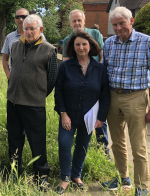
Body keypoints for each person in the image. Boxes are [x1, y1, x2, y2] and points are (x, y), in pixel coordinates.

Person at [101, 7, 150, 196]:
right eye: (115, 25)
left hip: (136, 96)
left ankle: (142, 187)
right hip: (113, 96)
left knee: (138, 146)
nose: (118, 28)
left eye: (122, 23)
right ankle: (123, 178)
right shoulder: (110, 43)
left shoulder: (146, 42)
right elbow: (104, 72)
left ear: (132, 21)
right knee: (117, 142)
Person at [54, 31, 110, 194]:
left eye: (84, 44)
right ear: (72, 47)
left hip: (89, 117)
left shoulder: (100, 69)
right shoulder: (65, 66)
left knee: (82, 145)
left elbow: (105, 94)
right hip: (68, 115)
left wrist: (101, 118)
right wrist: (63, 113)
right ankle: (65, 178)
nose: (81, 47)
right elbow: (59, 91)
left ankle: (76, 175)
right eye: (77, 44)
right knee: (64, 144)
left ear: (91, 46)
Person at [6, 14, 58, 190]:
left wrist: (38, 93)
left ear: (40, 30)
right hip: (13, 101)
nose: (28, 32)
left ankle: (41, 176)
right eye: (25, 28)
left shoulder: (49, 50)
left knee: (37, 141)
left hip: (34, 104)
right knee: (14, 139)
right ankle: (14, 172)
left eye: (32, 29)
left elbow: (52, 79)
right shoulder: (15, 46)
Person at [62, 9, 109, 155]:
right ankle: (80, 149)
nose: (77, 23)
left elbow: (102, 56)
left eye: (79, 20)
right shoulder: (66, 41)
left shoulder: (94, 34)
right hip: (77, 84)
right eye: (74, 21)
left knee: (100, 118)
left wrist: (99, 73)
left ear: (84, 20)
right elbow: (66, 62)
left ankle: (103, 150)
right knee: (78, 119)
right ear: (70, 23)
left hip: (95, 83)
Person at [2, 8, 29, 79]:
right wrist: (9, 75)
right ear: (15, 19)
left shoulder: (38, 35)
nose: (20, 19)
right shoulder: (9, 37)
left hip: (32, 80)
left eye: (23, 17)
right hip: (14, 78)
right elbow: (4, 59)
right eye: (18, 17)